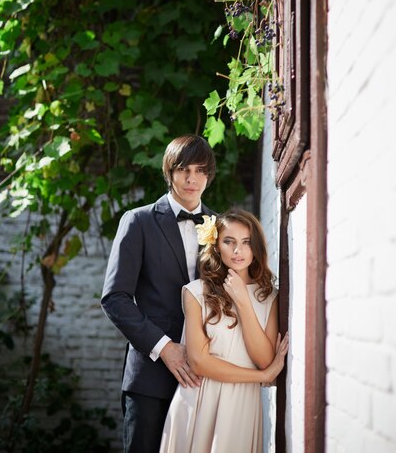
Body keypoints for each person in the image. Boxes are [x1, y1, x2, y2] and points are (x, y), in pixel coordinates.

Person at [101, 134, 217, 453]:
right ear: (169, 172)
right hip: (150, 378)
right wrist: (165, 348)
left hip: (207, 376)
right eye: (183, 170)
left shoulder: (221, 228)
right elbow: (115, 298)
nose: (192, 179)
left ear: (209, 174)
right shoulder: (137, 222)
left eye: (199, 170)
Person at [159, 208, 289, 453]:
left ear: (256, 248)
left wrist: (242, 301)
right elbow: (198, 363)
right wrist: (262, 377)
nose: (238, 251)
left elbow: (264, 360)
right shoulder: (195, 292)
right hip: (199, 400)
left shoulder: (270, 297)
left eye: (246, 242)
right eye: (229, 242)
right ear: (216, 246)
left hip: (242, 405)